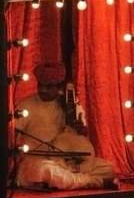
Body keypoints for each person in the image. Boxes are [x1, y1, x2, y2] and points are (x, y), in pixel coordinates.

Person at [12, 62, 117, 190]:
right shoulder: (25, 106)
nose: (43, 90)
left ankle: (67, 181)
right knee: (46, 171)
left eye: (49, 86)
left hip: (66, 161)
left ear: (60, 87)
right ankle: (96, 182)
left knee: (108, 167)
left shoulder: (68, 106)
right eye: (41, 85)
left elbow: (75, 140)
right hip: (36, 160)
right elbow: (12, 135)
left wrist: (79, 130)